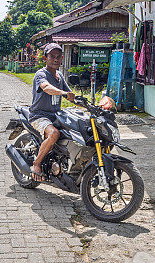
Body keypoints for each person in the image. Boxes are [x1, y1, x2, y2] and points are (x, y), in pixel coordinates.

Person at [29, 43, 114, 181]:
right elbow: (46, 88)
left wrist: (91, 106)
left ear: (62, 58)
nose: (55, 59)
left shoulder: (60, 76)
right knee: (54, 134)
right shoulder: (41, 74)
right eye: (52, 56)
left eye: (58, 57)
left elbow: (71, 95)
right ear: (45, 58)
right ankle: (37, 164)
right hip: (39, 115)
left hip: (56, 115)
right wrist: (62, 92)